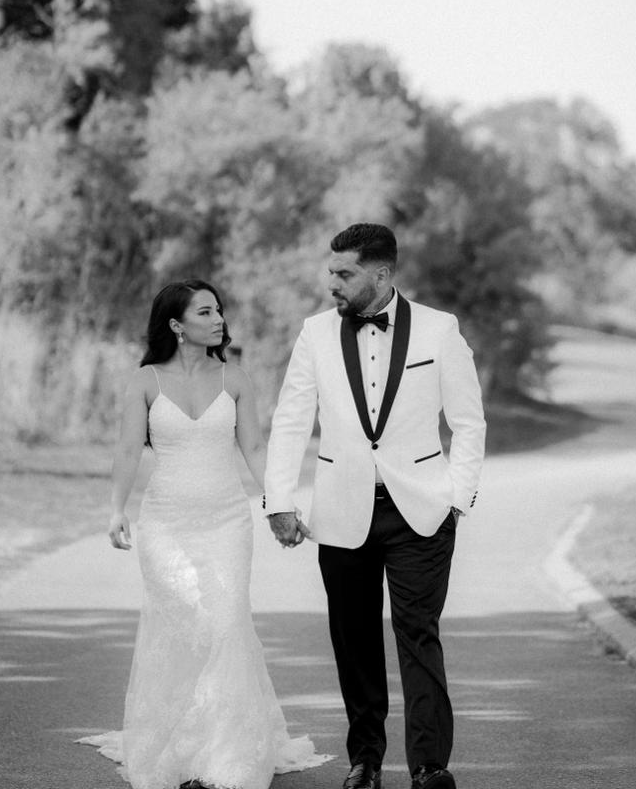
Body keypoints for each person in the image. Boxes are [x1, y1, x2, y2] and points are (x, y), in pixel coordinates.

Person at [78, 279, 330, 789]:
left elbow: (254, 449)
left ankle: (225, 754)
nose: (218, 320)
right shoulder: (145, 381)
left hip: (226, 522)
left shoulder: (235, 378)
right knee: (183, 628)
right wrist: (116, 509)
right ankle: (180, 747)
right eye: (205, 312)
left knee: (227, 623)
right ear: (176, 325)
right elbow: (127, 450)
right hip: (165, 524)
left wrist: (279, 504)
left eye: (218, 311)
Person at [264, 224, 486, 789]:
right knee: (354, 641)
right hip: (342, 511)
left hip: (421, 512)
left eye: (345, 273)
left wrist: (458, 498)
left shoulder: (439, 329)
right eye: (332, 272)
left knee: (419, 636)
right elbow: (291, 420)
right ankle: (365, 761)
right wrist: (279, 500)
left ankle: (429, 766)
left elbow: (468, 421)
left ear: (381, 273)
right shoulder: (314, 333)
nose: (332, 283)